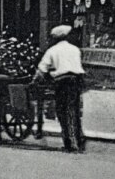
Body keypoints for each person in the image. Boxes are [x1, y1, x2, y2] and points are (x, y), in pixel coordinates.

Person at [36, 24, 87, 153]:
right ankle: (79, 140)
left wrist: (34, 82)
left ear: (56, 38)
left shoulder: (52, 50)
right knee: (74, 111)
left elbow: (42, 70)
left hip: (62, 82)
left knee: (62, 112)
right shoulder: (75, 49)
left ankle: (68, 143)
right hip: (76, 81)